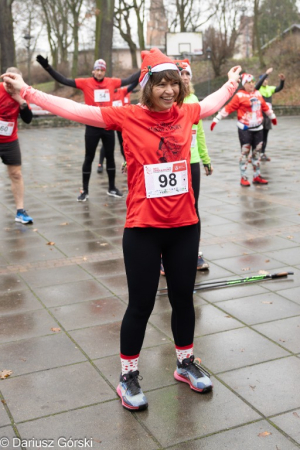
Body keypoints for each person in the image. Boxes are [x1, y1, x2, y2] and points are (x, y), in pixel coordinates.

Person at [2, 48, 241, 411]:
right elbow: (76, 110)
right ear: (147, 86)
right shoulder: (127, 116)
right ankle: (127, 376)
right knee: (141, 304)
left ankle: (185, 363)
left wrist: (233, 83)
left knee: (183, 299)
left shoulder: (187, 112)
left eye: (173, 84)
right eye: (160, 84)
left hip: (185, 227)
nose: (169, 91)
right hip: (143, 228)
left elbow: (210, 102)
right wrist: (28, 93)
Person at [36, 55, 140, 200]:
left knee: (110, 157)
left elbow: (130, 80)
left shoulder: (112, 82)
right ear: (93, 71)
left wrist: (146, 67)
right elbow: (64, 81)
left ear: (104, 72)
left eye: (102, 70)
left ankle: (111, 188)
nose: (99, 72)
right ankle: (84, 190)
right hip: (92, 126)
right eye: (97, 69)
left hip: (108, 125)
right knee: (89, 158)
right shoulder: (85, 83)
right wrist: (48, 68)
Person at [161, 59, 211, 275]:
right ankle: (164, 256)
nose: (184, 77)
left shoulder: (193, 100)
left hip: (192, 162)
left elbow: (199, 132)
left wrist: (205, 158)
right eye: (180, 74)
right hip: (171, 163)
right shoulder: (166, 99)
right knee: (169, 208)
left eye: (187, 74)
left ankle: (195, 252)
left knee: (193, 208)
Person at [211, 72, 277, 187]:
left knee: (257, 153)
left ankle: (257, 176)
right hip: (245, 129)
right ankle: (244, 177)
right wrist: (217, 119)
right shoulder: (239, 95)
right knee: (245, 153)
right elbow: (229, 108)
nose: (251, 84)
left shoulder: (257, 93)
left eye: (252, 82)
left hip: (258, 128)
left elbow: (265, 107)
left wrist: (272, 117)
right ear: (244, 84)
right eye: (248, 82)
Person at [0, 67, 33, 224]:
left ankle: (20, 211)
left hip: (9, 140)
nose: (12, 84)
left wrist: (21, 101)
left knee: (16, 174)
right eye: (9, 80)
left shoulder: (22, 94)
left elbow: (28, 119)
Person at [97, 80, 139, 173]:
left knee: (123, 143)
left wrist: (138, 77)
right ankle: (100, 163)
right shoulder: (107, 93)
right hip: (111, 120)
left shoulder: (122, 91)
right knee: (106, 144)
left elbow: (132, 86)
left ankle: (126, 162)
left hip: (121, 121)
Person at [255, 67, 285, 161]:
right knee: (258, 136)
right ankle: (256, 153)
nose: (265, 81)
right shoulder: (258, 89)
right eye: (264, 80)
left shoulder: (270, 89)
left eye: (267, 80)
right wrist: (266, 74)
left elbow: (279, 88)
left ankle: (263, 153)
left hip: (267, 117)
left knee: (265, 136)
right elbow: (257, 86)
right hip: (259, 116)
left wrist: (282, 81)